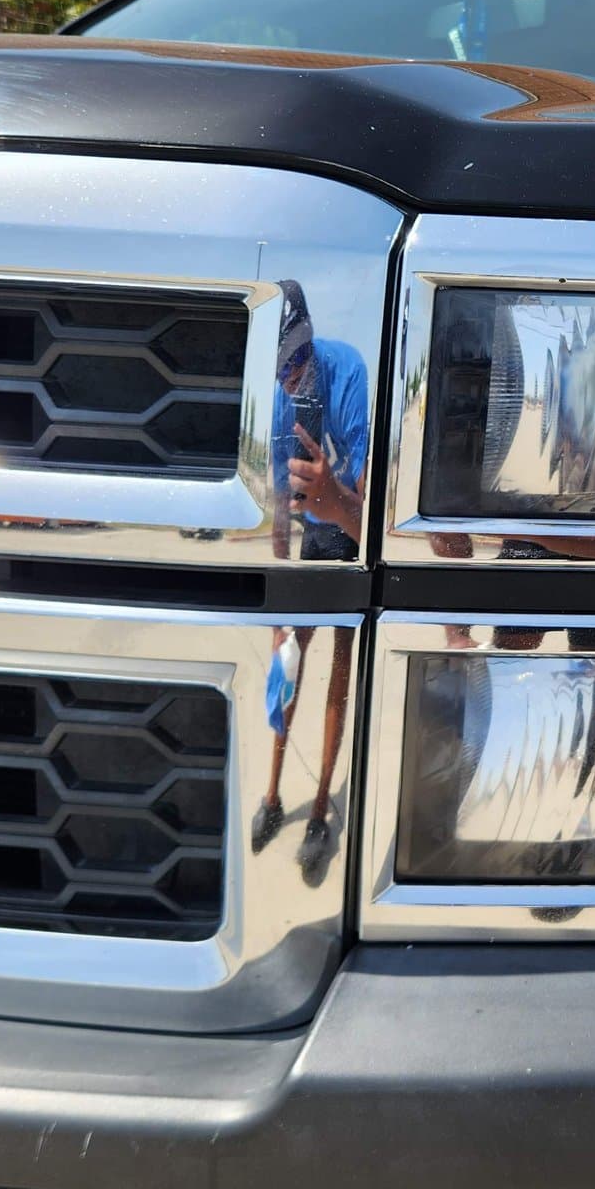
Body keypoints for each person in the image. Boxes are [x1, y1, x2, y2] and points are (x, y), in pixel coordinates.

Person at [251, 280, 367, 882]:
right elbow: (277, 508)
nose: (292, 375)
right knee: (286, 668)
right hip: (307, 530)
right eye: (280, 366)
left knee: (338, 681)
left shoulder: (347, 372)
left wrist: (333, 499)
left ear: (311, 341)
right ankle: (271, 795)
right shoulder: (275, 402)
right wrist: (277, 606)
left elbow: (366, 512)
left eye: (299, 358)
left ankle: (320, 810)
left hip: (346, 524)